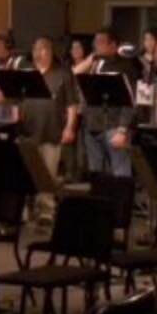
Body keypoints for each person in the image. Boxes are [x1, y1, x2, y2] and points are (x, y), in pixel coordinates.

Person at [20, 37, 79, 225]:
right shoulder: (26, 73)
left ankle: (46, 210)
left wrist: (70, 127)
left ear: (51, 52)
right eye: (37, 49)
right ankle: (23, 210)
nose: (41, 52)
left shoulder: (62, 74)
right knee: (25, 172)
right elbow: (16, 102)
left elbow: (71, 105)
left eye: (45, 49)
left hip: (52, 130)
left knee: (48, 173)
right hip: (27, 131)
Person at [79, 29, 142, 178]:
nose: (96, 46)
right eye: (95, 42)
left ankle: (122, 199)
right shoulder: (95, 63)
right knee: (96, 174)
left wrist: (122, 129)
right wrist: (90, 60)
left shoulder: (125, 67)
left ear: (113, 45)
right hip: (92, 124)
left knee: (120, 172)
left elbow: (130, 100)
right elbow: (74, 75)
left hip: (113, 125)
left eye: (100, 42)